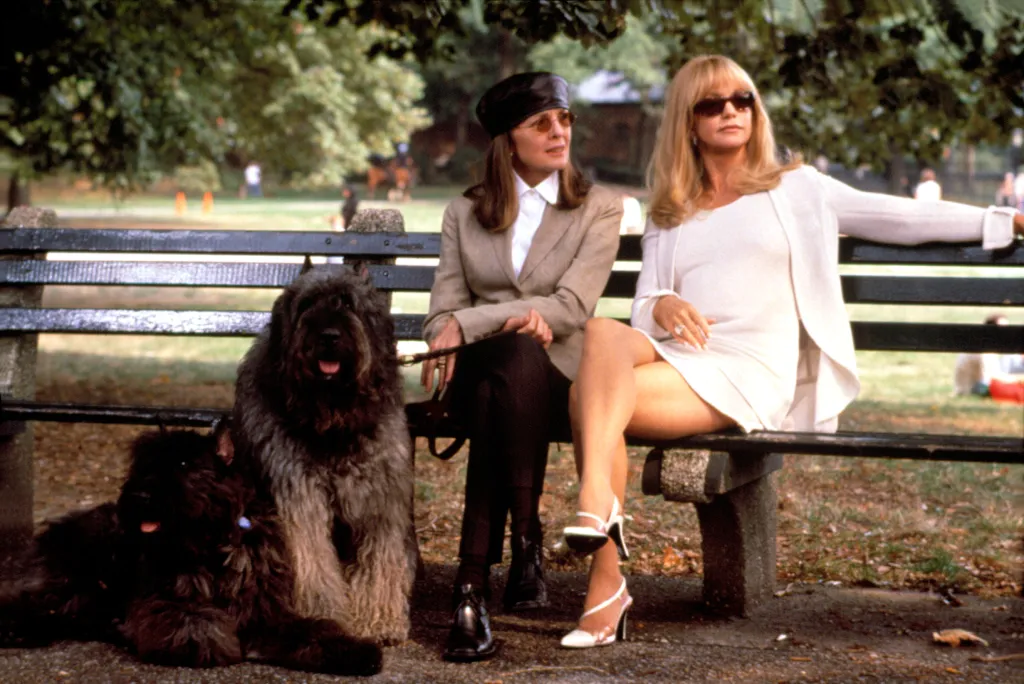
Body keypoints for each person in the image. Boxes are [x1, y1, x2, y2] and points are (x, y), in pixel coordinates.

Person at [560, 54, 1024, 650]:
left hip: (752, 370)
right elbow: (647, 302)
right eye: (712, 104)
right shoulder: (673, 208)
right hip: (685, 357)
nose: (731, 111)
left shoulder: (798, 189)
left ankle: (600, 550)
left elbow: (902, 216)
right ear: (688, 122)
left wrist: (1004, 220)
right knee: (601, 336)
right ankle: (601, 540)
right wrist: (665, 304)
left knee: (587, 398)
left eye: (743, 100)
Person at [421, 72, 622, 662]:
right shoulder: (464, 212)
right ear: (508, 141)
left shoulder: (599, 208)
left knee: (510, 366)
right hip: (479, 375)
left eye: (564, 119)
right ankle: (525, 536)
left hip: (558, 378)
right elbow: (439, 317)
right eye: (541, 123)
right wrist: (460, 328)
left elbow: (570, 307)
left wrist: (477, 321)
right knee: (504, 368)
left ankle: (470, 586)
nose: (559, 132)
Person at [953, 314, 1024, 402]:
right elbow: (990, 379)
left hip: (973, 386)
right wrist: (1018, 379)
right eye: (1002, 329)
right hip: (972, 389)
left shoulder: (984, 343)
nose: (1006, 333)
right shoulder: (983, 348)